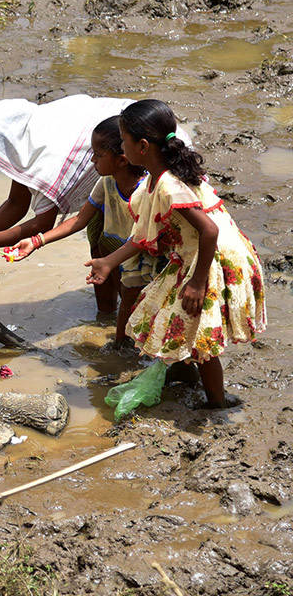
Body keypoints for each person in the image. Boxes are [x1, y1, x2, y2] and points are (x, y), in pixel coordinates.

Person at [85, 99, 267, 408]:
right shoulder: (156, 179)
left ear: (142, 146)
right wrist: (108, 262)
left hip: (211, 258)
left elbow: (209, 231)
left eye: (124, 141)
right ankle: (186, 376)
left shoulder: (169, 185)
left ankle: (217, 402)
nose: (122, 147)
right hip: (194, 255)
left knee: (200, 336)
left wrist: (197, 283)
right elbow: (143, 235)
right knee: (172, 315)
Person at [0, 94, 190, 315]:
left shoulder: (53, 154)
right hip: (119, 168)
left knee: (136, 275)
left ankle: (129, 317)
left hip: (143, 146)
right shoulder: (98, 180)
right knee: (102, 247)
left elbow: (43, 222)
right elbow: (18, 204)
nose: (91, 160)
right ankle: (105, 315)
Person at [6, 116, 156, 345]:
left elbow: (146, 236)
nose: (93, 160)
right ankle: (112, 332)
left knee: (130, 307)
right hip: (110, 250)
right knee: (108, 306)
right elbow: (79, 220)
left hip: (136, 257)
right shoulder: (106, 183)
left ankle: (120, 349)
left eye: (99, 155)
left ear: (122, 160)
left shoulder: (147, 190)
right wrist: (36, 241)